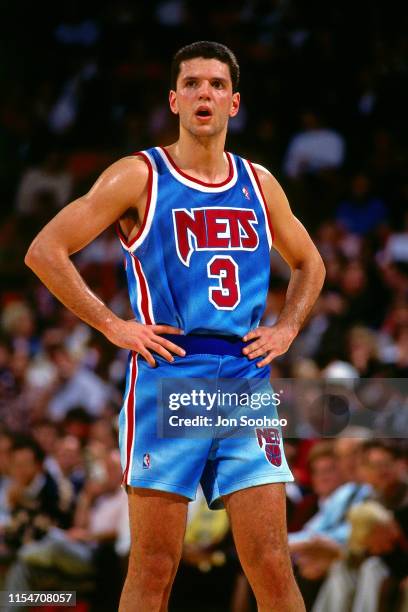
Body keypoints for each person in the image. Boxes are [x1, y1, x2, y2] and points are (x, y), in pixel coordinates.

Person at [25, 40, 325, 612]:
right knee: (154, 568)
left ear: (234, 103)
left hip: (245, 377)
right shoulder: (139, 174)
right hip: (170, 374)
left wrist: (286, 329)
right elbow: (46, 250)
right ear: (174, 100)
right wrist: (113, 325)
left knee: (270, 565)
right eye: (192, 84)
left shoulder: (259, 183)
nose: (203, 93)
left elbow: (312, 262)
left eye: (215, 84)